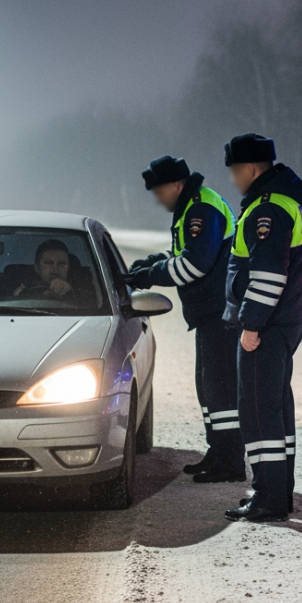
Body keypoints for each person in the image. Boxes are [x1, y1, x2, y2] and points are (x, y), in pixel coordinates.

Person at [128, 155, 245, 483]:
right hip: (209, 312)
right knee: (208, 387)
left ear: (175, 185)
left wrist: (151, 274)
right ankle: (218, 450)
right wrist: (154, 261)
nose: (157, 197)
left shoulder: (201, 209)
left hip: (220, 312)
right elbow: (182, 253)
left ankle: (231, 461)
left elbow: (195, 264)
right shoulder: (191, 207)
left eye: (158, 190)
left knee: (220, 389)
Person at [220, 134, 302, 523]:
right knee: (276, 409)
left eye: (235, 171)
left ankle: (268, 497)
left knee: (258, 411)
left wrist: (251, 325)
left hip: (268, 325)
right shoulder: (288, 202)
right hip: (286, 323)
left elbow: (268, 276)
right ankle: (279, 492)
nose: (232, 179)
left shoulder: (268, 210)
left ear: (252, 168)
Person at [13, 239, 84, 301]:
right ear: (37, 268)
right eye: (49, 263)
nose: (55, 270)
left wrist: (71, 294)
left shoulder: (84, 289)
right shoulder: (24, 289)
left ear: (68, 268)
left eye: (61, 264)